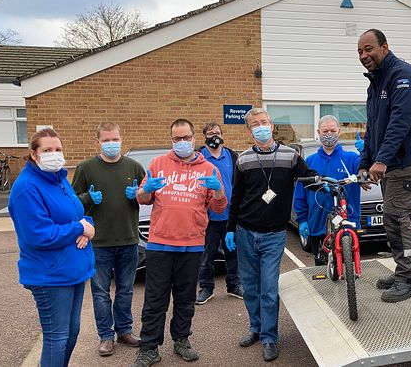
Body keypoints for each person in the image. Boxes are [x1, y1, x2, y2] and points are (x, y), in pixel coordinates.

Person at [132, 119, 227, 367]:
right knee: (155, 299)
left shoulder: (208, 169)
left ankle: (181, 340)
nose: (181, 142)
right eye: (177, 138)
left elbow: (219, 206)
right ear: (171, 139)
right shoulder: (157, 164)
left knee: (185, 298)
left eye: (186, 138)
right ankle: (149, 348)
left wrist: (218, 190)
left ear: (194, 139)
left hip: (192, 245)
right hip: (160, 245)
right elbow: (142, 199)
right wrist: (145, 190)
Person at [225, 108, 317, 362]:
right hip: (245, 232)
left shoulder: (290, 155)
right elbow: (236, 197)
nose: (261, 127)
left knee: (268, 287)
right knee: (251, 287)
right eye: (255, 124)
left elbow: (309, 177)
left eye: (264, 122)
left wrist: (324, 180)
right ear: (249, 130)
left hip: (274, 234)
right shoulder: (242, 160)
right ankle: (255, 328)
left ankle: (270, 337)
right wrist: (230, 229)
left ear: (272, 126)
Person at [356, 28, 411, 302]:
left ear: (385, 47)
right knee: (392, 218)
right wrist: (364, 163)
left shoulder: (403, 76)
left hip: (410, 160)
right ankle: (404, 270)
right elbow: (373, 128)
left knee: (395, 215)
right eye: (360, 52)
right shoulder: (376, 83)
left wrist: (382, 160)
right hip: (392, 162)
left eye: (369, 49)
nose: (364, 55)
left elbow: (399, 123)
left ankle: (409, 277)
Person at [8, 128, 96, 367]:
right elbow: (39, 234)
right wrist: (80, 229)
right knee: (57, 338)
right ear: (34, 155)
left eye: (58, 149)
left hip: (73, 268)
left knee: (72, 332)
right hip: (51, 275)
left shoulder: (59, 180)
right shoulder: (27, 187)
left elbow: (78, 214)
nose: (54, 154)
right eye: (47, 150)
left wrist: (88, 225)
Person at [71, 122, 146, 357]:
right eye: (106, 140)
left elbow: (148, 198)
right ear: (98, 142)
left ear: (121, 139)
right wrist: (87, 198)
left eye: (115, 139)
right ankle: (106, 335)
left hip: (128, 240)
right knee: (101, 292)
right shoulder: (86, 168)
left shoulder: (134, 167)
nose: (111, 144)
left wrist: (138, 196)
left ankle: (124, 330)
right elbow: (71, 205)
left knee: (126, 291)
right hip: (99, 243)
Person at [293, 115, 361, 266]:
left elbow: (367, 171)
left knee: (347, 266)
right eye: (325, 131)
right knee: (322, 269)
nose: (328, 134)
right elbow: (300, 194)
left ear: (339, 132)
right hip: (318, 224)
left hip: (347, 222)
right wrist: (302, 219)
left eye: (332, 130)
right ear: (318, 132)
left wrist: (367, 153)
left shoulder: (351, 158)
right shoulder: (309, 162)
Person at [196, 121, 243, 304]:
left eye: (217, 132)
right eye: (210, 133)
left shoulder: (232, 156)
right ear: (205, 137)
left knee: (233, 253)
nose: (214, 135)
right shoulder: (198, 157)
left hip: (230, 215)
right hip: (207, 216)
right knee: (206, 255)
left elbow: (239, 185)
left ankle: (234, 285)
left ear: (222, 134)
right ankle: (206, 288)